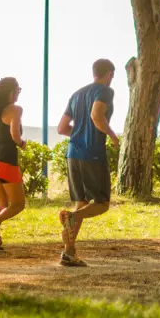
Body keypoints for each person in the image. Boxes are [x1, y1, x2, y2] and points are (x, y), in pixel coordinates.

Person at [56, 58, 119, 267]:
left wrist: (80, 133)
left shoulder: (76, 94)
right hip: (92, 153)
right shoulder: (105, 91)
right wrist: (111, 134)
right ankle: (71, 217)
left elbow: (62, 128)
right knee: (101, 204)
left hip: (73, 153)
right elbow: (96, 115)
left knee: (81, 203)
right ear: (109, 73)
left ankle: (69, 253)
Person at [0, 77, 26, 250]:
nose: (18, 94)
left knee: (2, 204)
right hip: (7, 162)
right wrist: (22, 144)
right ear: (10, 92)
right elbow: (15, 135)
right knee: (18, 204)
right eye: (18, 90)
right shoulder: (15, 110)